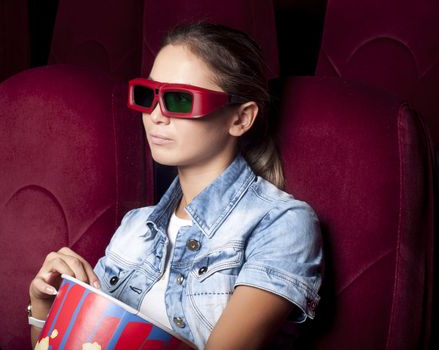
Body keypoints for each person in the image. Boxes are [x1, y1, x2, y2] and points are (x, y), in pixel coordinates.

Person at [29, 22, 323, 349]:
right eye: (146, 95)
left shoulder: (282, 223)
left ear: (240, 118)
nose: (156, 115)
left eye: (180, 100)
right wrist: (43, 304)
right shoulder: (135, 226)